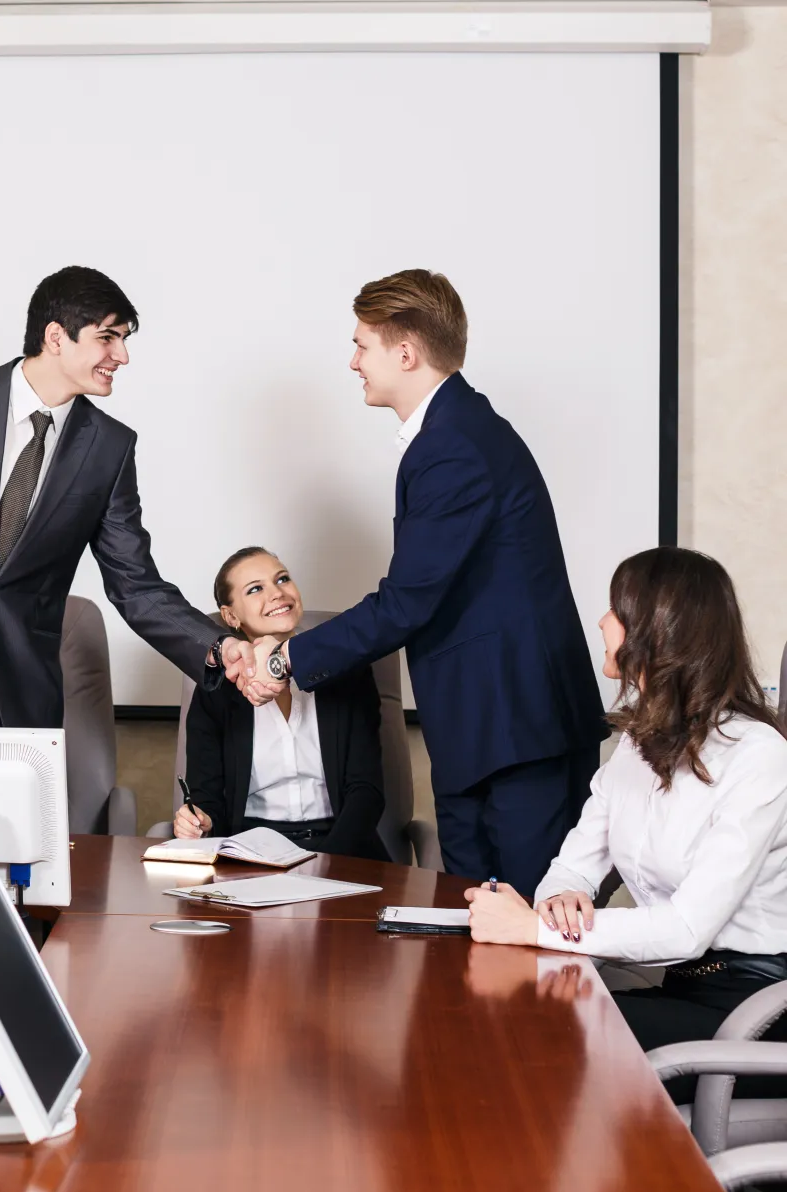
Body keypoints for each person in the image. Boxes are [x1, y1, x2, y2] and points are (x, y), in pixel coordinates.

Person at [236, 270, 605, 894]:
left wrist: (284, 659)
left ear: (404, 353)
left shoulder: (453, 445)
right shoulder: (455, 432)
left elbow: (407, 601)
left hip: (515, 730)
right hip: (484, 729)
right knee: (478, 936)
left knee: (529, 939)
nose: (353, 361)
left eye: (362, 346)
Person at [0, 265, 248, 731]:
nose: (123, 355)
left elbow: (136, 585)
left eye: (125, 339)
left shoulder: (110, 448)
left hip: (17, 693)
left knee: (11, 808)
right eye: (108, 337)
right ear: (56, 336)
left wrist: (217, 645)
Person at [466, 548, 787, 1070]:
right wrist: (560, 900)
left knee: (539, 1033)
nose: (602, 621)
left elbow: (688, 929)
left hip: (753, 1010)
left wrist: (534, 930)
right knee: (509, 1010)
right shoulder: (638, 745)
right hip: (681, 988)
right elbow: (571, 867)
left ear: (658, 630)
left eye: (617, 609)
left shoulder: (760, 755)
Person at [173, 547, 389, 860]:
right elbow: (208, 801)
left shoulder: (346, 669)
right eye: (256, 589)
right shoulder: (216, 688)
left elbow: (366, 792)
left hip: (344, 849)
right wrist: (201, 822)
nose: (277, 593)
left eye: (282, 579)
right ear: (231, 615)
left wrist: (326, 866)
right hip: (252, 853)